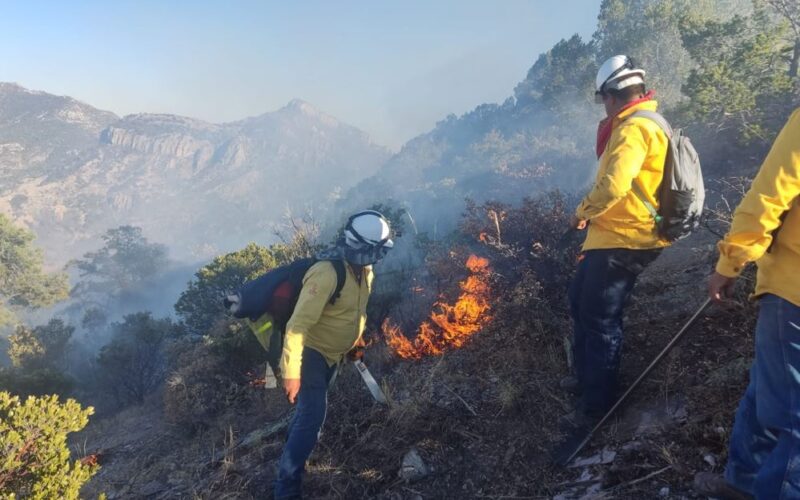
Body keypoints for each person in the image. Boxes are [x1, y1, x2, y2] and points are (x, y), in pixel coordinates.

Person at [694, 109, 800, 500]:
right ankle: (742, 482)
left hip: (794, 294)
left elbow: (768, 197)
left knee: (794, 421)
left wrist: (730, 263)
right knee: (766, 391)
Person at [563, 55, 671, 426]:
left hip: (624, 238)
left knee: (600, 318)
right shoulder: (638, 123)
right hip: (612, 235)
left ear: (611, 95)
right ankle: (586, 380)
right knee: (580, 302)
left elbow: (613, 186)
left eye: (602, 99)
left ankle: (598, 406)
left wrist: (581, 212)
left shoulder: (633, 128)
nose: (602, 106)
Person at [274, 210, 393, 500]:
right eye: (373, 251)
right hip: (309, 354)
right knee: (313, 414)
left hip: (334, 355)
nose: (376, 257)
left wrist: (355, 342)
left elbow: (356, 311)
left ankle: (293, 450)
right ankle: (286, 489)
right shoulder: (326, 273)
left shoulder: (365, 270)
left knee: (307, 415)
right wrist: (291, 373)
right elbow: (297, 326)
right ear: (358, 246)